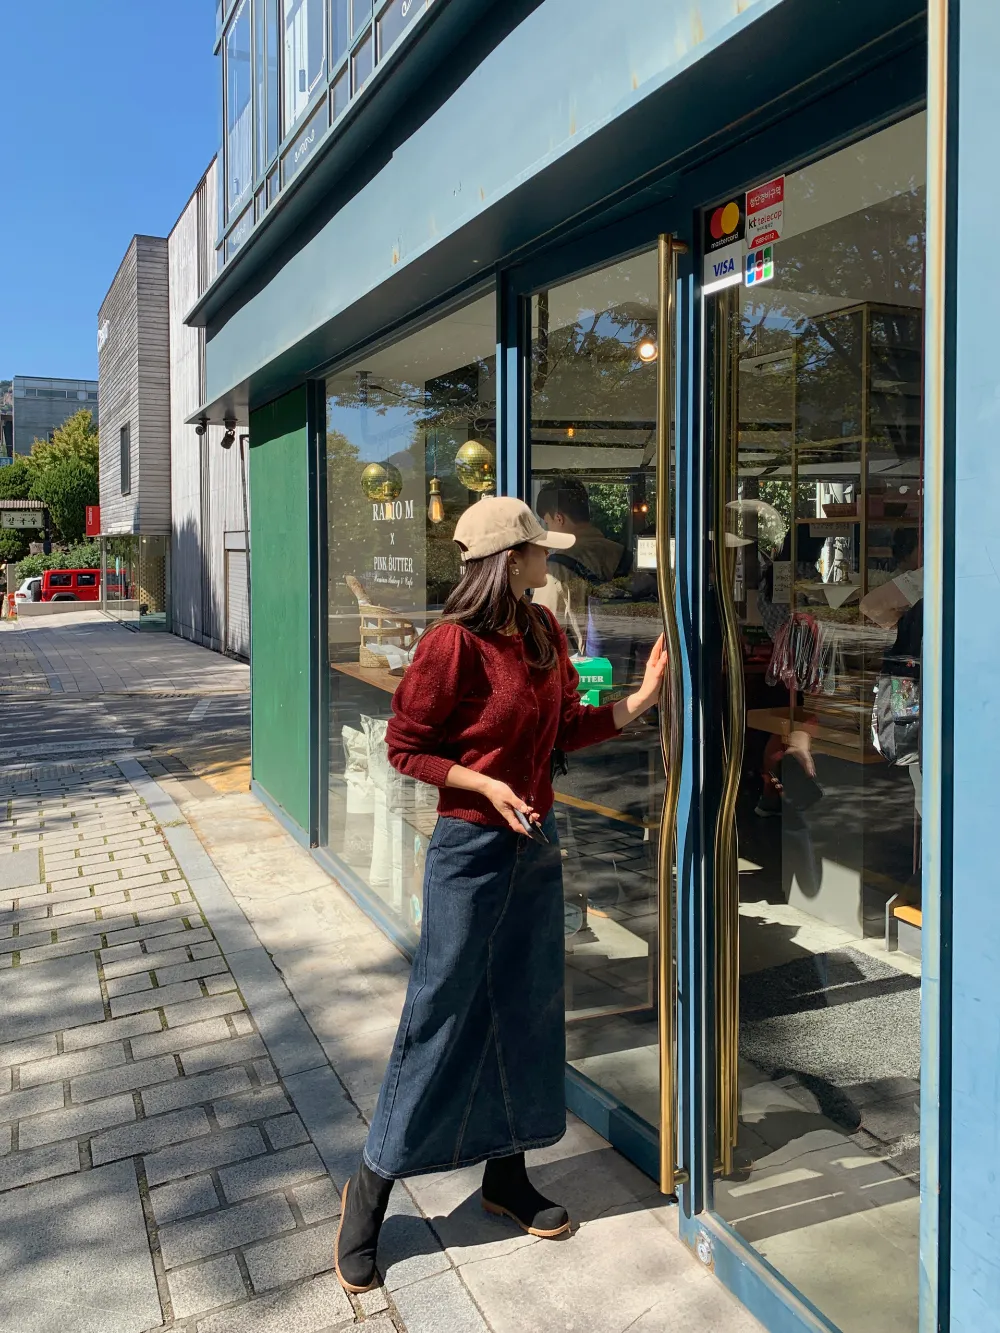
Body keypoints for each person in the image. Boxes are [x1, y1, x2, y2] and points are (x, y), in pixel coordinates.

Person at [334, 496, 667, 1293]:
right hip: (470, 853)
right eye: (540, 549)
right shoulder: (453, 644)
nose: (551, 556)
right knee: (440, 1015)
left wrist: (642, 700)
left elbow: (563, 732)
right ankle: (371, 1185)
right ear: (510, 561)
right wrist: (483, 783)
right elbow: (405, 747)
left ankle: (507, 1176)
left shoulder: (541, 629)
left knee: (525, 1010)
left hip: (534, 848)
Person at [533, 478, 630, 655]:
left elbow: (542, 634)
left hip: (582, 668)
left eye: (547, 522)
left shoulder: (556, 568)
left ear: (558, 518)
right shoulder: (624, 556)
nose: (547, 529)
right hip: (629, 663)